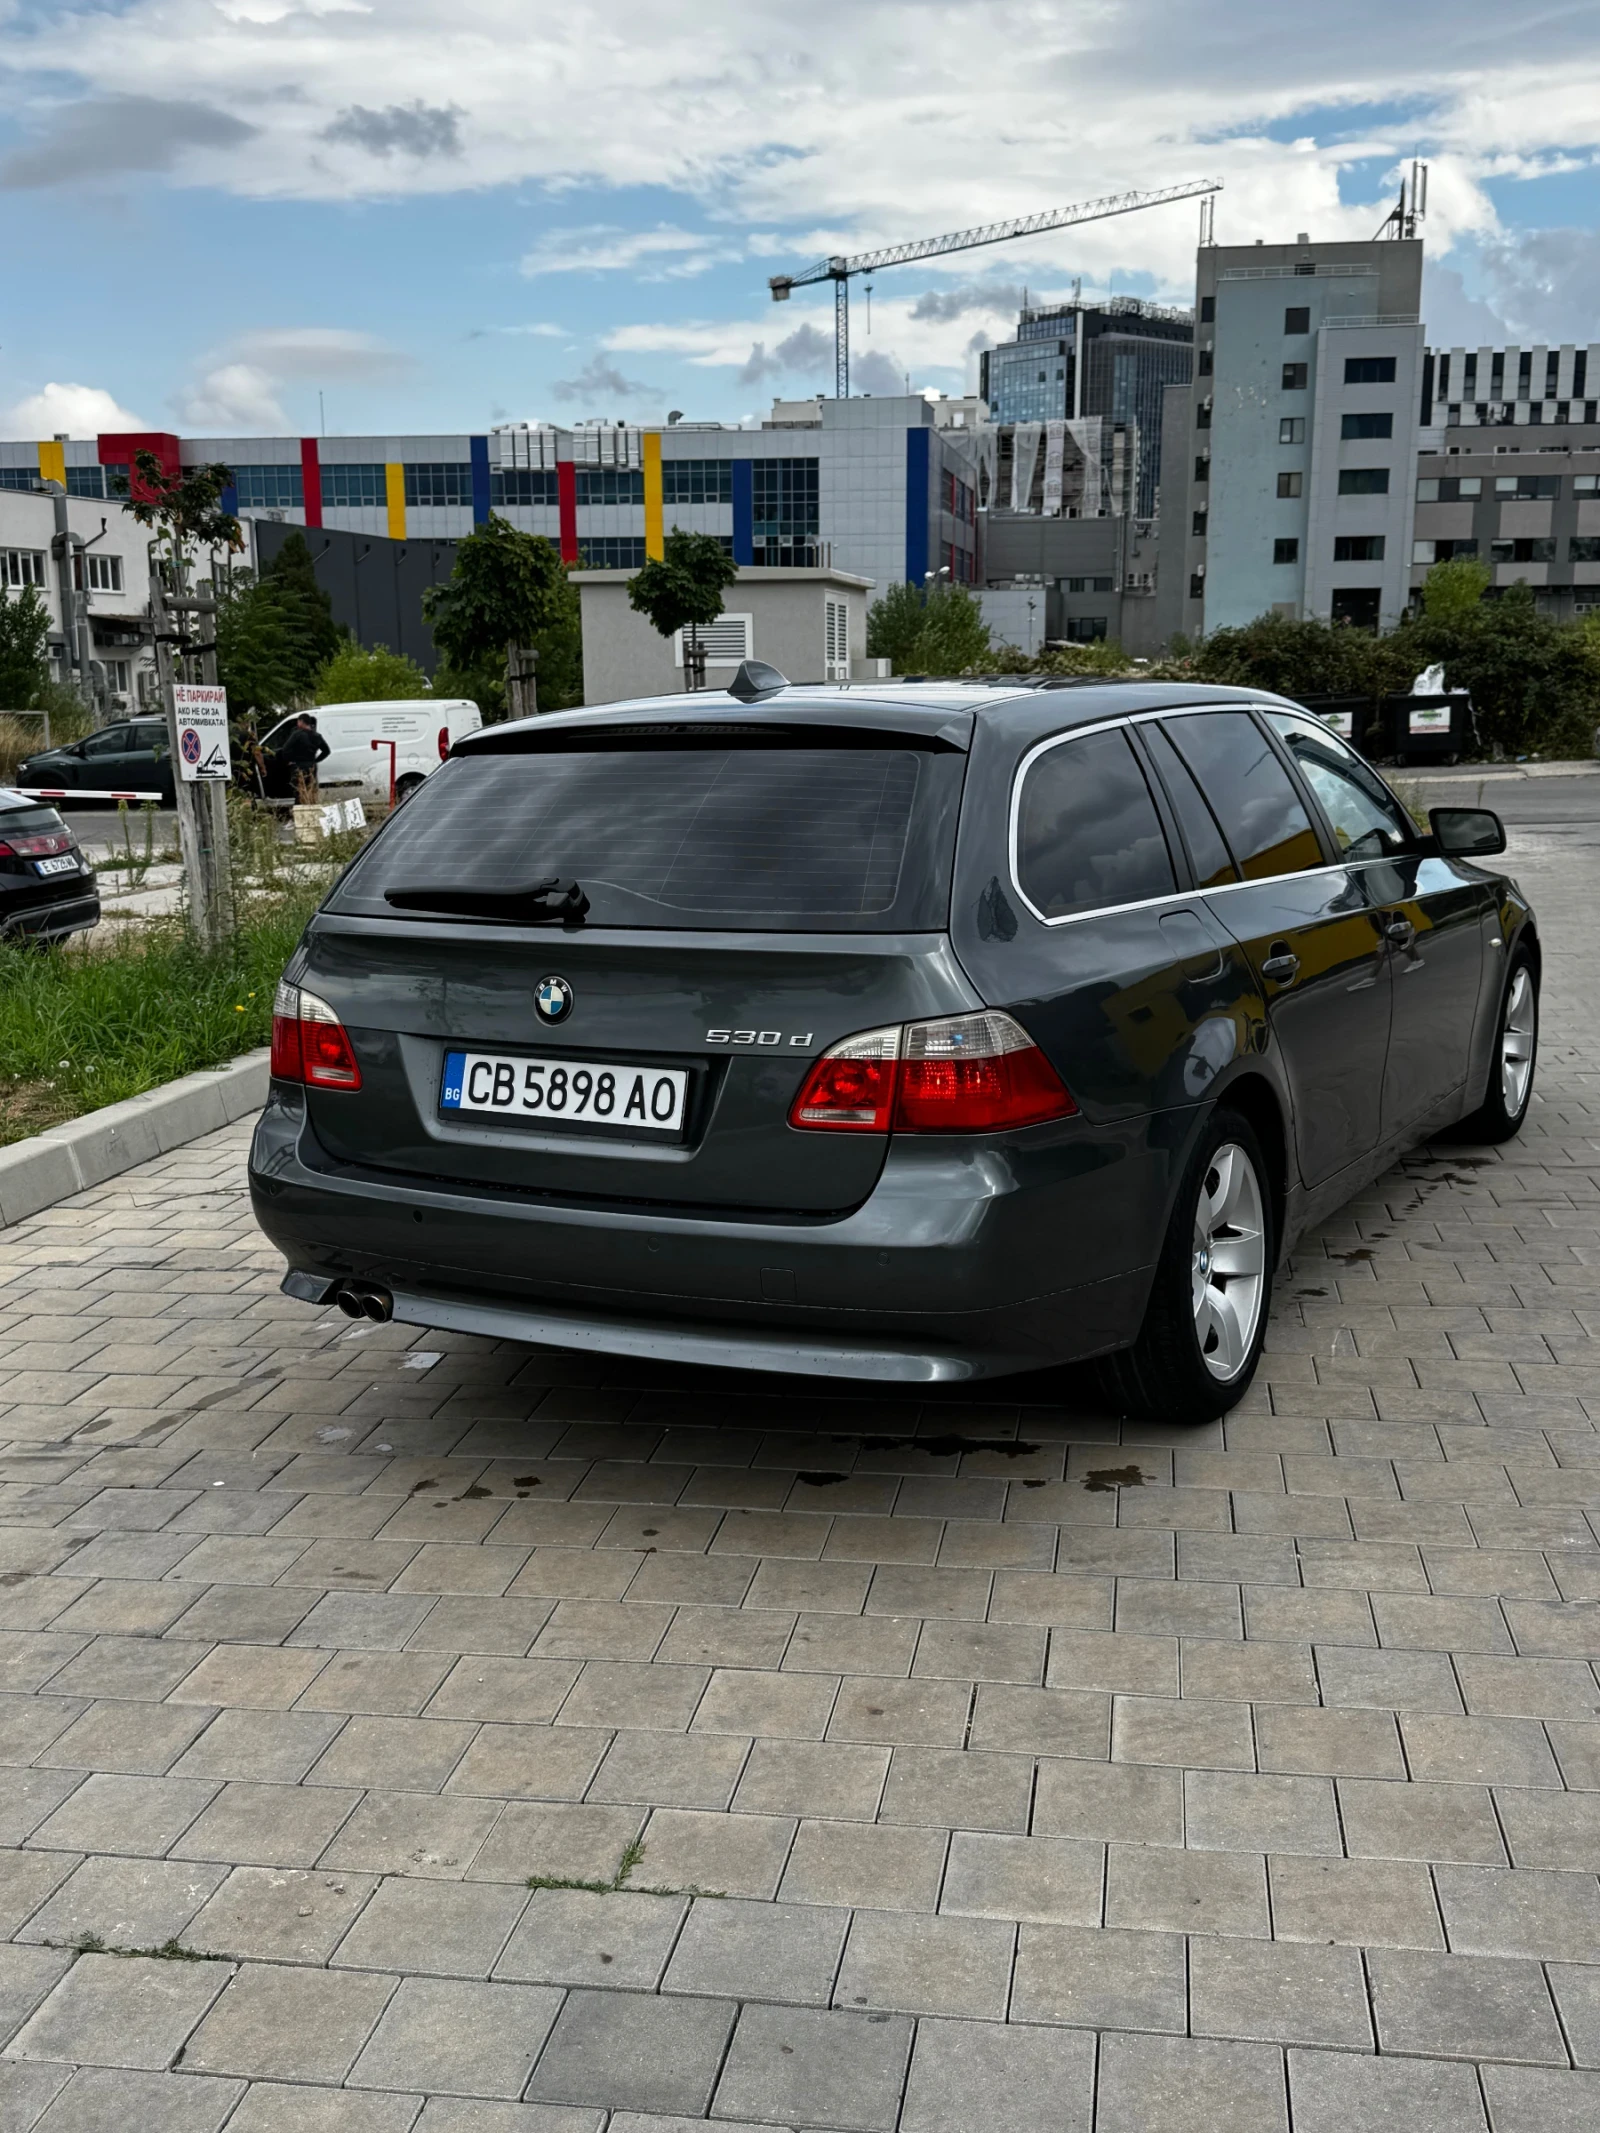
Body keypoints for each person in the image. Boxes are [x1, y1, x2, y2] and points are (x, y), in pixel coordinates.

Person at [272, 713, 331, 801]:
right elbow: (326, 751)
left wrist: (289, 761)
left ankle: (299, 807)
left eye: (298, 722)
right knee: (310, 792)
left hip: (298, 767)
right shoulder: (317, 736)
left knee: (298, 792)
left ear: (301, 722)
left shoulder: (297, 735)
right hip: (311, 767)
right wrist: (315, 760)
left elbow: (285, 749)